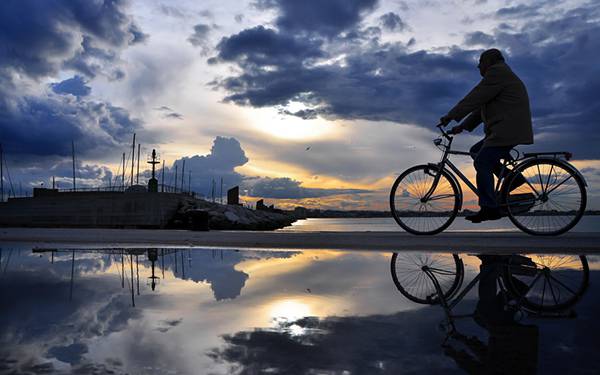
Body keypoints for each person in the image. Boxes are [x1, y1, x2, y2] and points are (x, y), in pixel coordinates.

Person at [440, 49, 533, 223]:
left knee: (482, 161)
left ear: (489, 61)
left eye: (480, 62)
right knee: (476, 151)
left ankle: (489, 207)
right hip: (506, 129)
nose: (478, 66)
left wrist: (450, 115)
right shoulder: (501, 75)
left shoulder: (497, 72)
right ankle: (513, 179)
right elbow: (480, 108)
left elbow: (474, 97)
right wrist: (461, 126)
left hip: (507, 130)